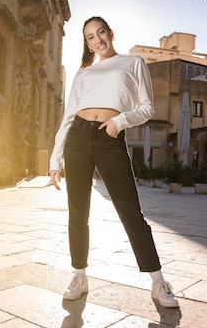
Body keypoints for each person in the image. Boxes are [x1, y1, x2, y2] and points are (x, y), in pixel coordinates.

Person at [48, 16, 179, 308]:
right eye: (91, 37)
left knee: (131, 212)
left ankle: (158, 282)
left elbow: (146, 108)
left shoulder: (133, 63)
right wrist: (55, 157)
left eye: (101, 33)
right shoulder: (83, 74)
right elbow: (69, 116)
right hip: (78, 139)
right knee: (77, 213)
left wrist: (119, 121)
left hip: (110, 137)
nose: (97, 40)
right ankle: (79, 275)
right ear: (88, 43)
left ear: (110, 33)